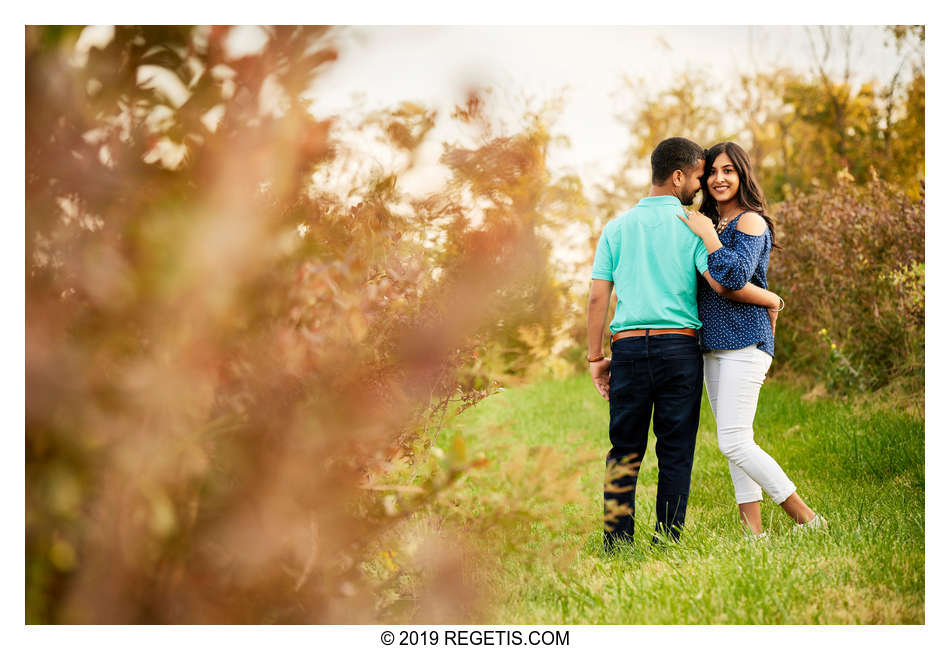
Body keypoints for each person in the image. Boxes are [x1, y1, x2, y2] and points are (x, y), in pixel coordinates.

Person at [588, 137, 782, 550]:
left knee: (624, 448)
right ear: (678, 177)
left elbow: (596, 297)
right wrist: (769, 298)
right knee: (675, 448)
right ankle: (668, 540)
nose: (701, 185)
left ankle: (617, 542)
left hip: (626, 347)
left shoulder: (616, 227)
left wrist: (595, 357)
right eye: (698, 175)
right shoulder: (691, 226)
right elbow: (720, 282)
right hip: (678, 348)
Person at [677, 141, 827, 537]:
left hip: (746, 341)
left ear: (742, 175)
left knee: (734, 441)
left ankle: (808, 520)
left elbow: (731, 279)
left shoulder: (750, 222)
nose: (718, 178)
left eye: (728, 170)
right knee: (734, 440)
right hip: (712, 346)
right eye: (711, 172)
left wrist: (709, 236)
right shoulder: (711, 222)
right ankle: (753, 534)